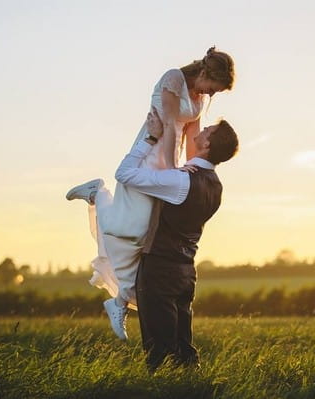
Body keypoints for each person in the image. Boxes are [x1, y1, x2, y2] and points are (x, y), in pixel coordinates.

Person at [65, 47, 234, 339]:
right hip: (152, 147)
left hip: (173, 158)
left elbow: (191, 137)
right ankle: (99, 194)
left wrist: (191, 167)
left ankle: (119, 300)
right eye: (212, 87)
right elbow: (169, 125)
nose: (211, 94)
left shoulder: (199, 97)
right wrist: (172, 170)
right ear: (206, 73)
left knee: (146, 236)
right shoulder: (173, 79)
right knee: (131, 228)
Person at [119, 109, 239, 372]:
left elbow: (124, 174)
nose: (202, 130)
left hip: (160, 268)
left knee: (158, 349)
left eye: (207, 131)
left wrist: (150, 138)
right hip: (186, 272)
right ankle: (192, 387)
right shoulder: (215, 185)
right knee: (183, 346)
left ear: (207, 144)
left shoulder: (180, 180)